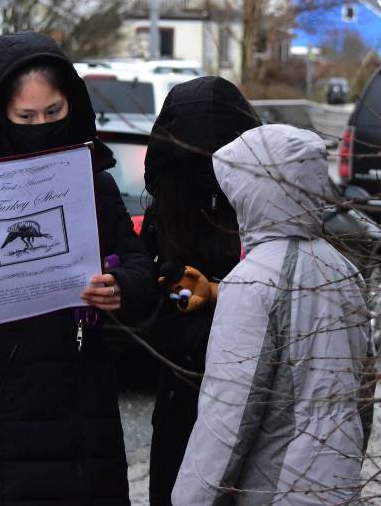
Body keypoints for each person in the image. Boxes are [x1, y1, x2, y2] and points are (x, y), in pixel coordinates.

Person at [0, 31, 154, 506]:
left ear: (72, 105)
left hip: (80, 413)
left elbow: (140, 269)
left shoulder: (94, 184)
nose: (41, 125)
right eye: (25, 117)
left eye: (53, 113)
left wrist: (122, 286)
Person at [173, 124, 372, 506]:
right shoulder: (346, 271)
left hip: (272, 490)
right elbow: (364, 394)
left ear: (250, 191)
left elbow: (229, 417)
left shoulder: (251, 283)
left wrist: (191, 498)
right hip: (337, 484)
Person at [139, 76, 261, 505]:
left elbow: (149, 321)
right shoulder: (258, 210)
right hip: (245, 396)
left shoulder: (166, 215)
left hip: (182, 394)